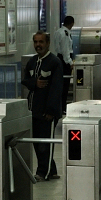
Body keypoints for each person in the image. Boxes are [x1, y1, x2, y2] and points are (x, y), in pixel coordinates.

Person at [21, 31, 63, 181]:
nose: (38, 45)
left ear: (48, 43)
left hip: (47, 112)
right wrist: (35, 83)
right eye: (36, 42)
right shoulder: (32, 62)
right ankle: (51, 170)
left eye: (41, 42)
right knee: (37, 142)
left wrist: (51, 110)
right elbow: (25, 80)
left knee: (45, 143)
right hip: (34, 110)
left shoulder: (54, 62)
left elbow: (57, 88)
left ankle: (42, 173)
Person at [52, 16, 75, 116]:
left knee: (60, 85)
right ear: (71, 24)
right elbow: (66, 50)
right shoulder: (65, 34)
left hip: (58, 58)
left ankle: (60, 106)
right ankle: (62, 107)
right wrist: (70, 62)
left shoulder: (58, 31)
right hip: (64, 61)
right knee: (64, 85)